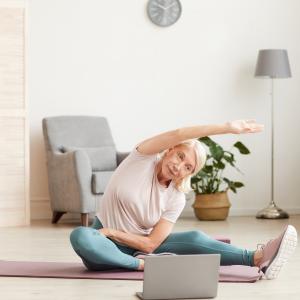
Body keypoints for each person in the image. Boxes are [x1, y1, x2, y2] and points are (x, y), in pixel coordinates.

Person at [70, 119, 297, 280]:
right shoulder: (140, 159)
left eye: (188, 167)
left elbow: (151, 244)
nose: (179, 166)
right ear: (170, 150)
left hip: (139, 247)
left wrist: (114, 232)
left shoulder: (176, 197)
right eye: (180, 156)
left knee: (194, 236)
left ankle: (257, 258)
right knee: (80, 235)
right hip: (103, 246)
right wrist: (227, 128)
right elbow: (179, 133)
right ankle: (142, 266)